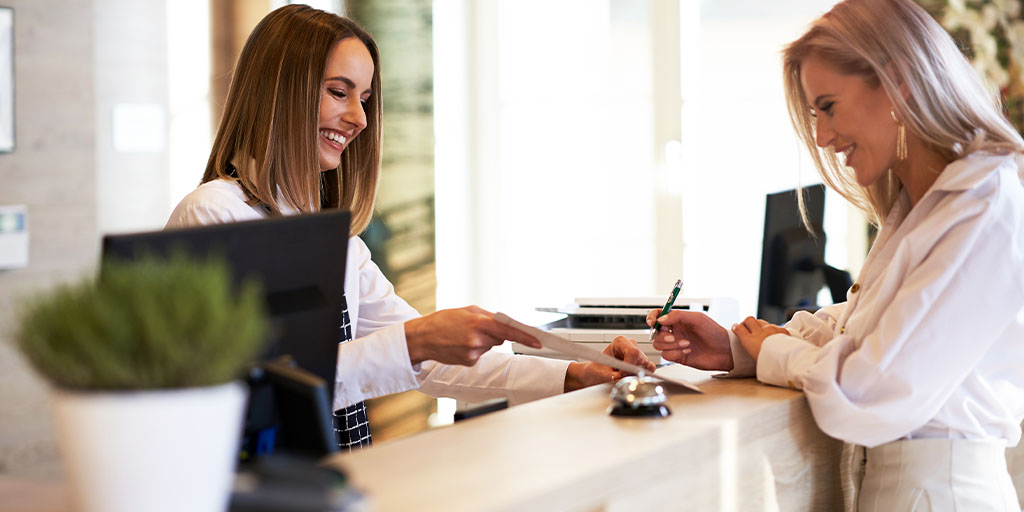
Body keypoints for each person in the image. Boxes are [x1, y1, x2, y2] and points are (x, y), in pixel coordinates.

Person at [167, 4, 654, 451]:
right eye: (339, 92)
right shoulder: (214, 215)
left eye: (365, 98)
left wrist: (577, 374)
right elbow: (253, 389)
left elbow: (428, 363)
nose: (358, 118)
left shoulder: (336, 241)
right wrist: (416, 340)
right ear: (281, 92)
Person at [649, 0, 1024, 509]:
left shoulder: (981, 205)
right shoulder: (931, 205)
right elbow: (870, 325)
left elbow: (867, 391)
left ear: (898, 83)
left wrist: (776, 352)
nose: (823, 137)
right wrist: (741, 346)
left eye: (828, 106)